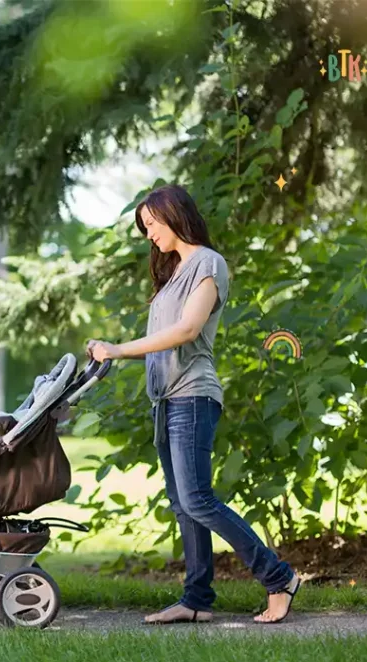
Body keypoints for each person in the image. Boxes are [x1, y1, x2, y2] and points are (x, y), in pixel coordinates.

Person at [85, 184, 301, 624]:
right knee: (184, 504)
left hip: (193, 396)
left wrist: (119, 349)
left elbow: (186, 331)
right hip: (166, 401)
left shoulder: (208, 263)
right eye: (144, 228)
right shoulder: (172, 276)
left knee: (199, 499)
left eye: (151, 225)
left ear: (174, 216)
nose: (149, 235)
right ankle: (196, 599)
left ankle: (279, 578)